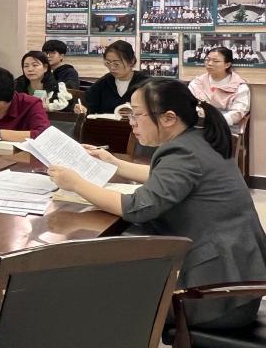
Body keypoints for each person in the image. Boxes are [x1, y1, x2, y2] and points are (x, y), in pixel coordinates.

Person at [48, 78, 266, 328]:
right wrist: (113, 162)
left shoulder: (182, 152)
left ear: (168, 118)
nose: (131, 122)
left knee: (98, 294)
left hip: (213, 297)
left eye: (136, 114)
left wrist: (76, 183)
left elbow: (137, 207)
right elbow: (166, 179)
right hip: (236, 282)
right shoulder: (198, 138)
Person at [76, 40, 148, 115]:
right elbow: (87, 105)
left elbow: (154, 110)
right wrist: (83, 109)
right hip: (106, 123)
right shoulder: (104, 82)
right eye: (108, 63)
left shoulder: (145, 83)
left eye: (116, 64)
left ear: (131, 61)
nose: (112, 67)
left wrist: (137, 112)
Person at [188, 47, 250, 127]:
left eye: (215, 61)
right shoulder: (196, 83)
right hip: (197, 126)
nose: (210, 63)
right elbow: (188, 106)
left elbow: (238, 112)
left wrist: (213, 120)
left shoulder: (240, 86)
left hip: (226, 128)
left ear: (227, 65)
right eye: (207, 60)